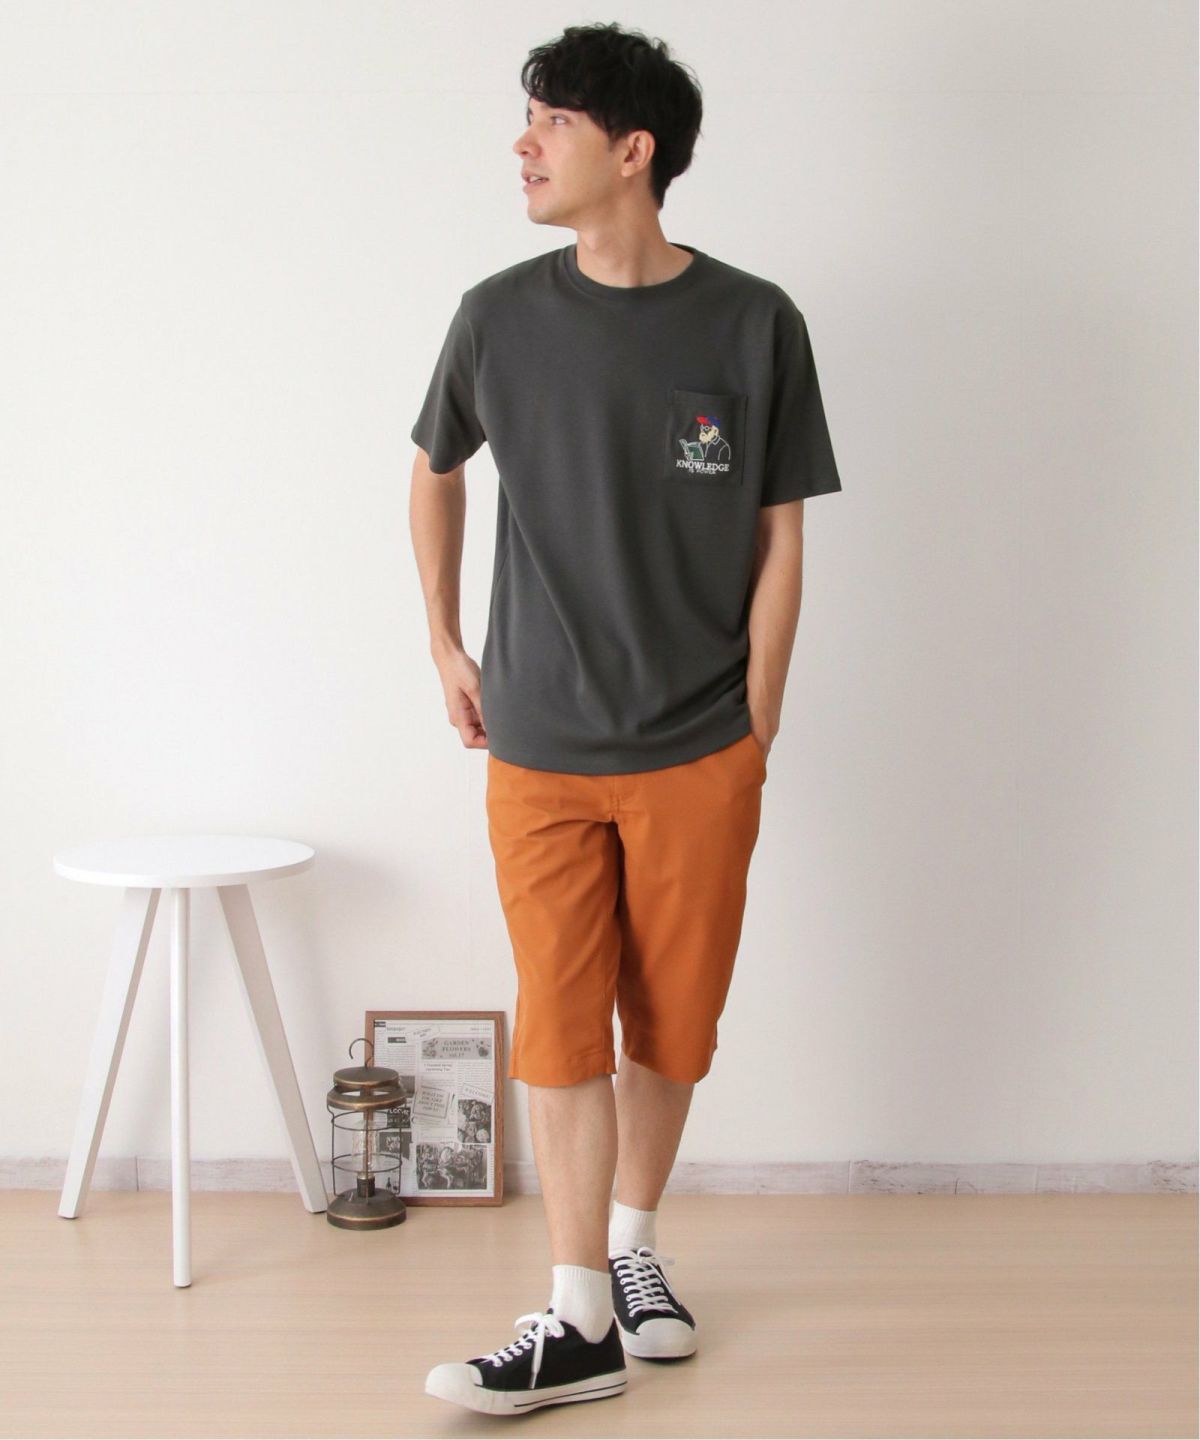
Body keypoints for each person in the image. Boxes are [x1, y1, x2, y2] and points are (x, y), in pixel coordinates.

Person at [410, 21, 842, 1417]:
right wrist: (444, 640)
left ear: (632, 150)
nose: (523, 143)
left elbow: (781, 535)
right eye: (527, 118)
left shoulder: (755, 322)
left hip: (701, 746)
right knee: (558, 1023)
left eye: (551, 120)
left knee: (672, 1021)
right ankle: (578, 1309)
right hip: (538, 742)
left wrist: (757, 721)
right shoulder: (495, 315)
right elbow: (434, 467)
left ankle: (635, 1250)